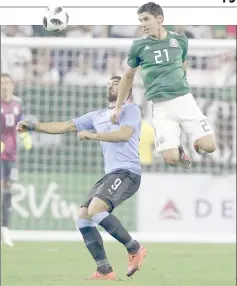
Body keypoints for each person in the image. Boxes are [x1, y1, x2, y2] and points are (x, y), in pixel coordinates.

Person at [16, 76, 147, 280]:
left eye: (116, 83)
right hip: (111, 174)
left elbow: (123, 135)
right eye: (108, 84)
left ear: (127, 88)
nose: (110, 86)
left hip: (128, 172)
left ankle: (135, 248)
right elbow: (63, 126)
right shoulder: (97, 116)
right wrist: (34, 126)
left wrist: (92, 136)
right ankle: (104, 270)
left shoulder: (131, 110)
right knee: (84, 217)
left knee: (95, 210)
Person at [111, 2, 216, 169]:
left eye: (146, 19)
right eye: (141, 21)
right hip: (159, 105)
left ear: (159, 19)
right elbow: (128, 76)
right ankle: (179, 149)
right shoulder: (139, 46)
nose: (143, 24)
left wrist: (179, 82)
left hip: (184, 100)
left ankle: (195, 143)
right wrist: (117, 107)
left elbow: (183, 65)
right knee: (171, 159)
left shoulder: (180, 40)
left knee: (210, 146)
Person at [1, 73, 32, 247]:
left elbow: (21, 124)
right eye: (1, 83)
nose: (4, 86)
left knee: (7, 192)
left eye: (7, 82)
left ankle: (5, 230)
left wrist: (25, 136)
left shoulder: (17, 103)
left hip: (12, 156)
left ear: (12, 85)